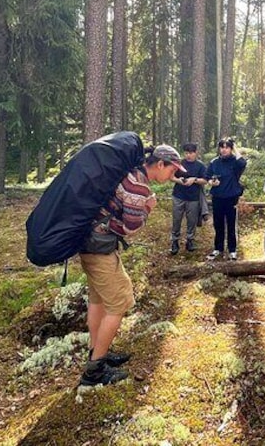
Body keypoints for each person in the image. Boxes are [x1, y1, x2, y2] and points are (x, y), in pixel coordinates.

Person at [78, 144, 185, 386]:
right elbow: (130, 227)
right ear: (160, 164)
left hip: (90, 243)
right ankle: (93, 372)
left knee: (99, 300)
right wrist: (148, 207)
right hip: (99, 249)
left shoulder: (130, 174)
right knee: (120, 302)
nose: (174, 175)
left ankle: (97, 353)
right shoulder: (138, 185)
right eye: (172, 170)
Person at [205, 137, 247, 260]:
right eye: (222, 147)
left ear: (231, 148)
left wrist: (235, 149)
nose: (224, 150)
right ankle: (218, 248)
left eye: (227, 147)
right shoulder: (214, 162)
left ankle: (232, 250)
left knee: (231, 225)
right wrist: (211, 182)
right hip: (217, 197)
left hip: (231, 198)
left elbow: (243, 163)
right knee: (218, 225)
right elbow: (207, 176)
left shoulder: (235, 162)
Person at [170, 143, 207, 255]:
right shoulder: (179, 164)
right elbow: (171, 177)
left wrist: (194, 180)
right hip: (178, 196)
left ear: (195, 153)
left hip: (194, 197)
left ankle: (190, 240)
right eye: (186, 153)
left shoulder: (200, 166)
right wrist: (179, 180)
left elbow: (205, 180)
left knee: (192, 221)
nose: (188, 155)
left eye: (190, 153)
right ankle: (174, 241)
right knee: (176, 219)